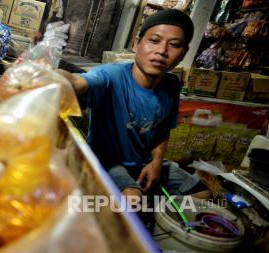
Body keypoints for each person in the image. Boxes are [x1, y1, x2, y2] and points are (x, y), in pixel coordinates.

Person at [57, 9, 208, 198]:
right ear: (136, 44)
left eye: (175, 45)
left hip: (143, 162)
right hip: (107, 162)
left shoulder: (171, 84)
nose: (161, 51)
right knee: (133, 198)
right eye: (154, 40)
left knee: (203, 194)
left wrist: (156, 162)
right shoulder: (112, 76)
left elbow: (162, 130)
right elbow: (75, 81)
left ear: (183, 53)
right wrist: (49, 75)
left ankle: (157, 217)